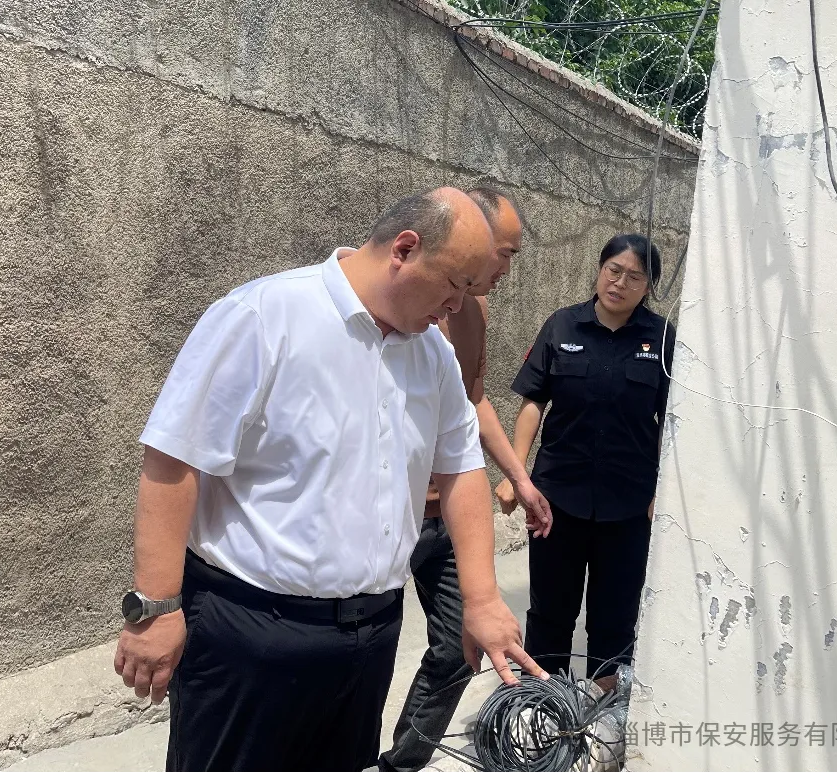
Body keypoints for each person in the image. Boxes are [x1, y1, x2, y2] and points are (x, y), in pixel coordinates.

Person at [113, 187, 548, 773]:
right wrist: (157, 608)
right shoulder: (265, 317)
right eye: (455, 285)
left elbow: (462, 468)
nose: (456, 307)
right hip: (251, 633)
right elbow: (174, 460)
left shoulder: (432, 354)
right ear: (404, 250)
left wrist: (483, 598)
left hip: (369, 639)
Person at [379, 189, 552, 773]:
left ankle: (403, 763)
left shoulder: (472, 310)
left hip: (448, 515)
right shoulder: (398, 303)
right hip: (391, 512)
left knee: (461, 647)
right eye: (505, 253)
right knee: (359, 652)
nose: (504, 269)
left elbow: (472, 402)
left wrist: (519, 478)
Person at [497, 233, 675, 684]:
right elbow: (534, 402)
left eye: (635, 277)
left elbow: (671, 420)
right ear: (600, 270)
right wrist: (517, 475)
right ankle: (543, 706)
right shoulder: (562, 326)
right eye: (614, 270)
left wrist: (664, 489)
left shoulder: (661, 338)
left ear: (648, 286)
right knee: (550, 612)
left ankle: (603, 711)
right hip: (556, 500)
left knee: (615, 617)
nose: (620, 283)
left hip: (629, 505)